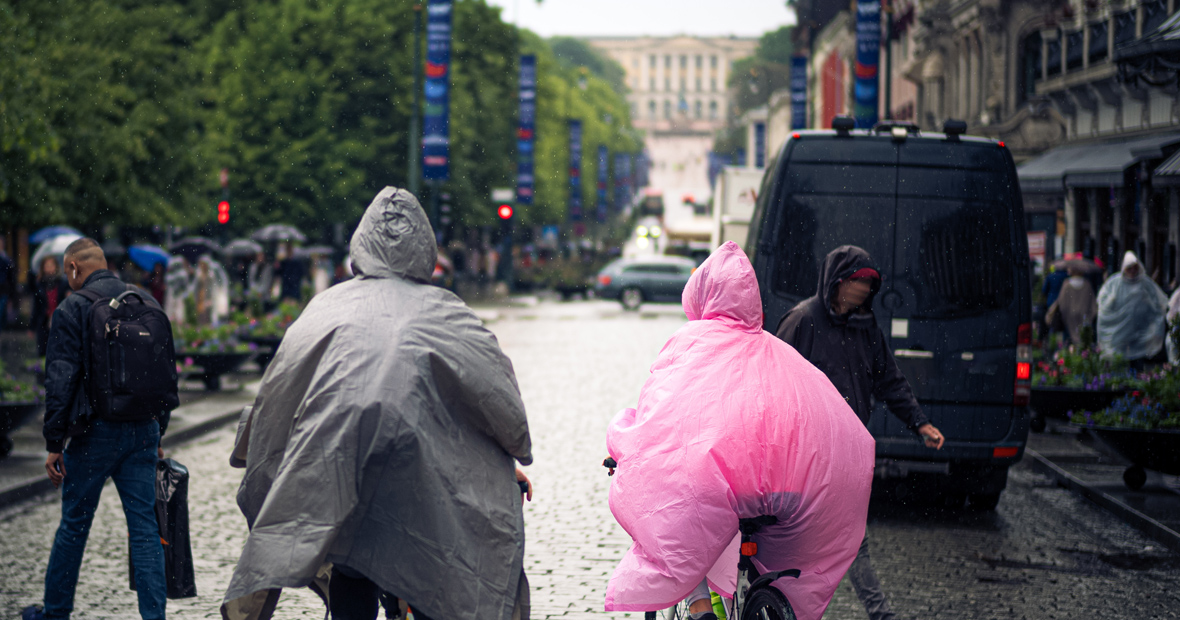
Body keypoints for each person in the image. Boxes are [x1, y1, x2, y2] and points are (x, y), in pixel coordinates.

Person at [222, 188, 534, 620]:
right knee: (430, 571)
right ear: (425, 248)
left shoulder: (324, 308)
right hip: (421, 471)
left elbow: (280, 389)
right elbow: (496, 400)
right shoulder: (450, 314)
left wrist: (257, 446)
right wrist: (511, 456)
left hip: (336, 463)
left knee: (353, 561)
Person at [605, 242, 875, 620]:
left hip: (720, 487)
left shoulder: (690, 344)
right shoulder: (776, 352)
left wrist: (628, 446)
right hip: (787, 493)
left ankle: (700, 607)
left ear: (701, 295)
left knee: (668, 519)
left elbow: (660, 418)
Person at [774, 245, 944, 620]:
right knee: (796, 541)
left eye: (870, 284)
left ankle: (877, 615)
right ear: (838, 282)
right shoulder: (803, 320)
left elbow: (890, 379)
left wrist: (919, 422)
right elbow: (774, 385)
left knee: (852, 539)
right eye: (859, 282)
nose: (865, 290)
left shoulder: (866, 327)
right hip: (808, 455)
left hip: (847, 453)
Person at [41, 238, 171, 620]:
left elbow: (61, 379)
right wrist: (158, 430)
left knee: (74, 526)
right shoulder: (146, 302)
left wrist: (54, 441)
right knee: (145, 530)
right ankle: (154, 616)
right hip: (143, 429)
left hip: (93, 433)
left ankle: (55, 613)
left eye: (68, 272)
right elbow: (163, 373)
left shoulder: (72, 308)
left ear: (75, 268)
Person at [1097, 251, 1168, 366]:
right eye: (1129, 268)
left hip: (1140, 331)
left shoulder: (1145, 283)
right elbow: (1103, 302)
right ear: (1124, 268)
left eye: (1135, 268)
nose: (1132, 271)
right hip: (1119, 333)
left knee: (1137, 361)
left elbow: (1159, 303)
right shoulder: (1115, 283)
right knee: (1120, 361)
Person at [1046, 266, 1098, 346]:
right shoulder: (1087, 284)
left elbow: (1061, 302)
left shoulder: (1067, 284)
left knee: (1068, 341)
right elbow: (1093, 304)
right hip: (1084, 316)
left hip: (1069, 316)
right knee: (1083, 339)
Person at [30, 256, 71, 357]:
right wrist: (32, 326)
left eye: (51, 265)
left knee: (59, 349)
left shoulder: (63, 284)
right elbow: (36, 306)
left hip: (59, 320)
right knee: (44, 349)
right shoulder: (39, 285)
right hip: (43, 320)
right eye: (47, 266)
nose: (49, 268)